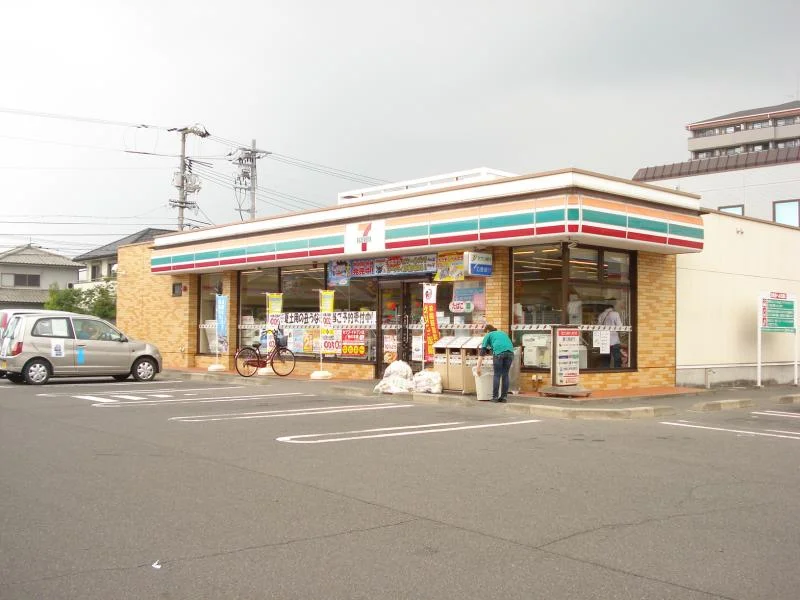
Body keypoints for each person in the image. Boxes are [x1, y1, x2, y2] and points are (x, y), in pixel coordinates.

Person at [476, 324, 515, 403]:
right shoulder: (502, 333)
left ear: (487, 331)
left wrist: (478, 368)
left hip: (499, 354)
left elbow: (482, 352)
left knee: (497, 374)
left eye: (485, 333)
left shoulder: (488, 335)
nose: (485, 335)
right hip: (510, 353)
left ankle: (495, 397)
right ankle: (504, 397)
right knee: (505, 374)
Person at [597, 299, 623, 368]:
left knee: (605, 360)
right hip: (614, 340)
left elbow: (598, 327)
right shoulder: (615, 314)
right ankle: (618, 373)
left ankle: (605, 373)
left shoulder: (601, 315)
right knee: (617, 359)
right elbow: (620, 327)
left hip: (604, 340)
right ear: (613, 306)